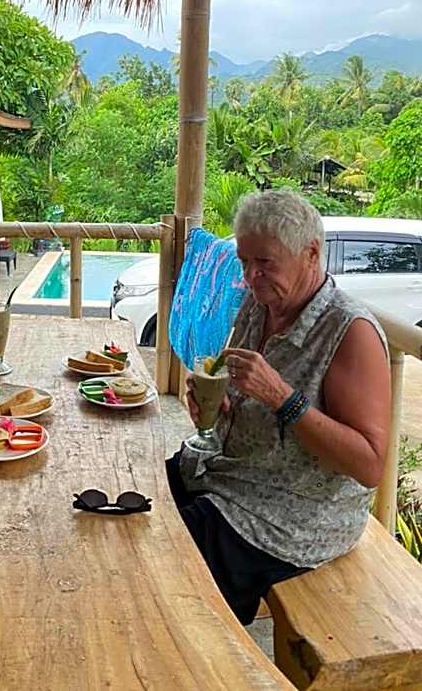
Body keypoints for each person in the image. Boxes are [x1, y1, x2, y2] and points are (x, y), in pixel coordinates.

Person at [166, 189, 390, 625]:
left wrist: (282, 398)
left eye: (264, 263)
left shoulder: (350, 332)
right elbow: (243, 389)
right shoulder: (259, 304)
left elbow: (369, 464)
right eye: (244, 262)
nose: (250, 276)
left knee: (168, 565)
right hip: (232, 475)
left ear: (311, 253)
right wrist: (218, 401)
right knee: (136, 503)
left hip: (290, 516)